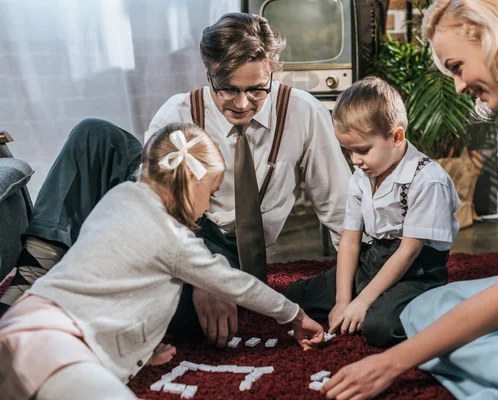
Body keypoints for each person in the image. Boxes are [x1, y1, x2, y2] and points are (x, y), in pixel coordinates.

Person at [0, 12, 350, 349]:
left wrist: (353, 282)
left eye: (258, 89)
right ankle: (28, 285)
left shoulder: (304, 112)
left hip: (236, 254)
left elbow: (339, 206)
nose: (243, 103)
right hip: (178, 233)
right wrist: (196, 274)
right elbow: (149, 212)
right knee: (94, 134)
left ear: (272, 70)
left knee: (193, 320)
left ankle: (92, 297)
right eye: (227, 89)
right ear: (207, 69)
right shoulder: (178, 112)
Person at [321, 1, 498, 399]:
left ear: (493, 39)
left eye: (456, 67)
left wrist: (391, 363)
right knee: (433, 309)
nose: (457, 86)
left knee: (443, 321)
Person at [0, 123, 324, 400]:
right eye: (209, 194)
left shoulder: (118, 197)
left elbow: (125, 287)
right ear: (192, 185)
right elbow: (238, 285)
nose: (206, 207)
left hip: (26, 316)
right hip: (60, 343)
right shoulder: (175, 239)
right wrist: (293, 315)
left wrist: (141, 349)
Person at [284, 77, 460, 348]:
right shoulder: (361, 176)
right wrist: (343, 301)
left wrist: (362, 301)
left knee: (379, 328)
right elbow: (351, 241)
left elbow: (408, 251)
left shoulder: (428, 180)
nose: (355, 160)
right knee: (293, 298)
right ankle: (370, 300)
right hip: (373, 259)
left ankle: (435, 304)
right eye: (349, 151)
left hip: (416, 270)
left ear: (397, 136)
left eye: (363, 150)